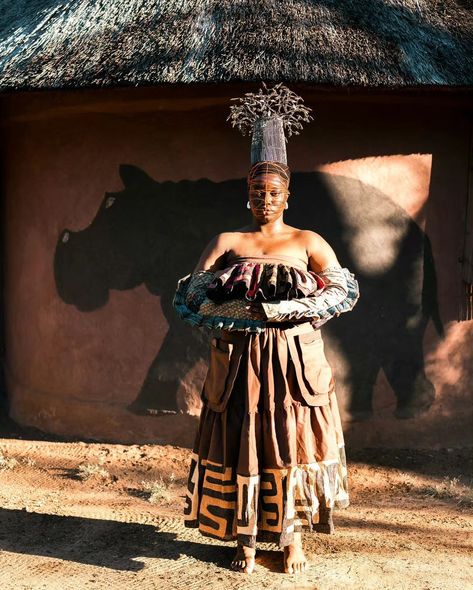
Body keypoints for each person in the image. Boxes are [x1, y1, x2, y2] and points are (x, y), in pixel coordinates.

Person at [173, 84, 359, 574]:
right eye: (257, 193)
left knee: (291, 440)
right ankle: (247, 538)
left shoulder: (308, 241)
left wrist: (286, 311)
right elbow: (191, 295)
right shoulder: (228, 240)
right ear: (247, 195)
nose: (265, 200)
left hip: (296, 366)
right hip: (239, 365)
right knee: (244, 442)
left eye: (273, 192)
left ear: (287, 196)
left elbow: (342, 293)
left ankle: (293, 540)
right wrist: (235, 309)